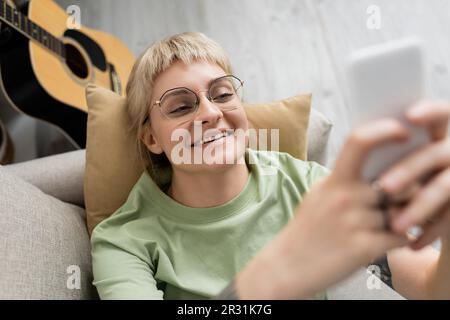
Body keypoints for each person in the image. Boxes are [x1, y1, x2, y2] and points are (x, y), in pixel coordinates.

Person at [90, 32, 450, 299]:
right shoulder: (123, 241)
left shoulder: (306, 183)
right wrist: (282, 268)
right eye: (181, 107)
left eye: (223, 94)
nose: (211, 113)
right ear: (152, 138)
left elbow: (432, 287)